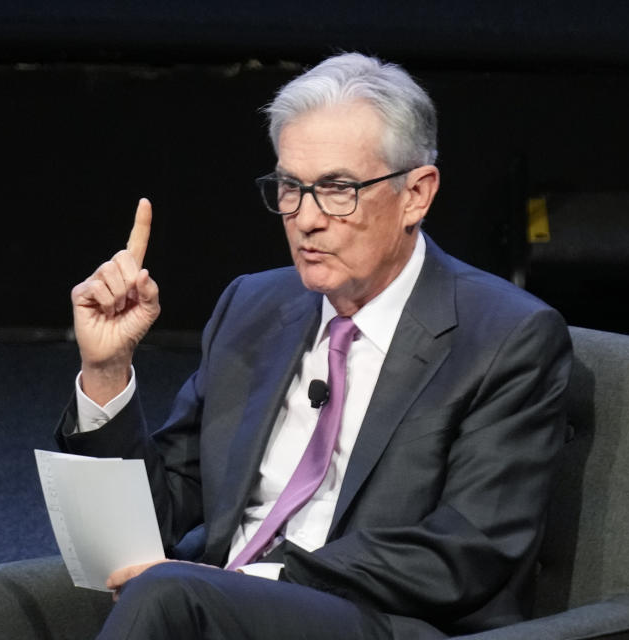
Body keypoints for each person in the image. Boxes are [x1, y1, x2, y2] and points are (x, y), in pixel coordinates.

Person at [58, 52, 572, 639]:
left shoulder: (504, 336)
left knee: (171, 594)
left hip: (384, 622)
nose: (304, 219)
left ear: (416, 195)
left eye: (336, 189)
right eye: (289, 188)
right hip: (213, 606)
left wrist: (256, 581)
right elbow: (163, 513)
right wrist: (106, 370)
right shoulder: (253, 307)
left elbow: (465, 550)